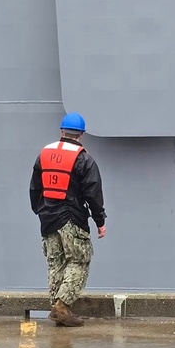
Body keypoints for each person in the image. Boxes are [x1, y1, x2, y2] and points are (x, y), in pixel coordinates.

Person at [30, 112, 107, 327]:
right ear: (81, 134)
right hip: (71, 217)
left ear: (62, 131)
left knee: (55, 262)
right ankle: (62, 307)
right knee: (79, 260)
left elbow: (35, 188)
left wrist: (41, 211)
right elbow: (93, 193)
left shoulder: (44, 154)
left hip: (47, 217)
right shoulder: (83, 158)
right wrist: (100, 222)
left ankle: (57, 306)